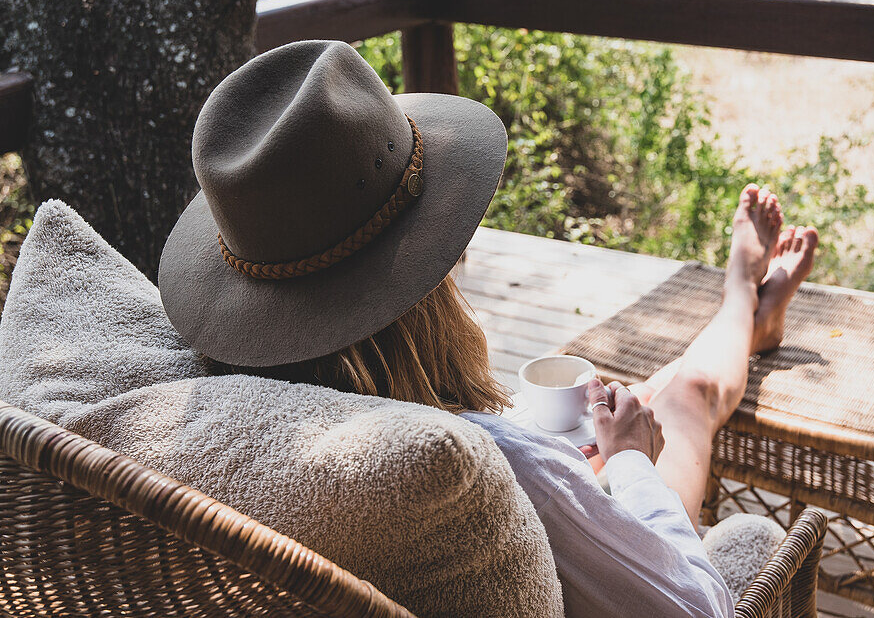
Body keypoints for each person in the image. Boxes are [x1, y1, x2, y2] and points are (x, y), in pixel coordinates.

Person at [158, 40, 819, 617]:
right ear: (427, 275)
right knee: (687, 398)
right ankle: (742, 301)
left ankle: (744, 318)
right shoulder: (479, 469)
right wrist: (630, 466)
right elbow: (703, 610)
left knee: (647, 394)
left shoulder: (217, 426)